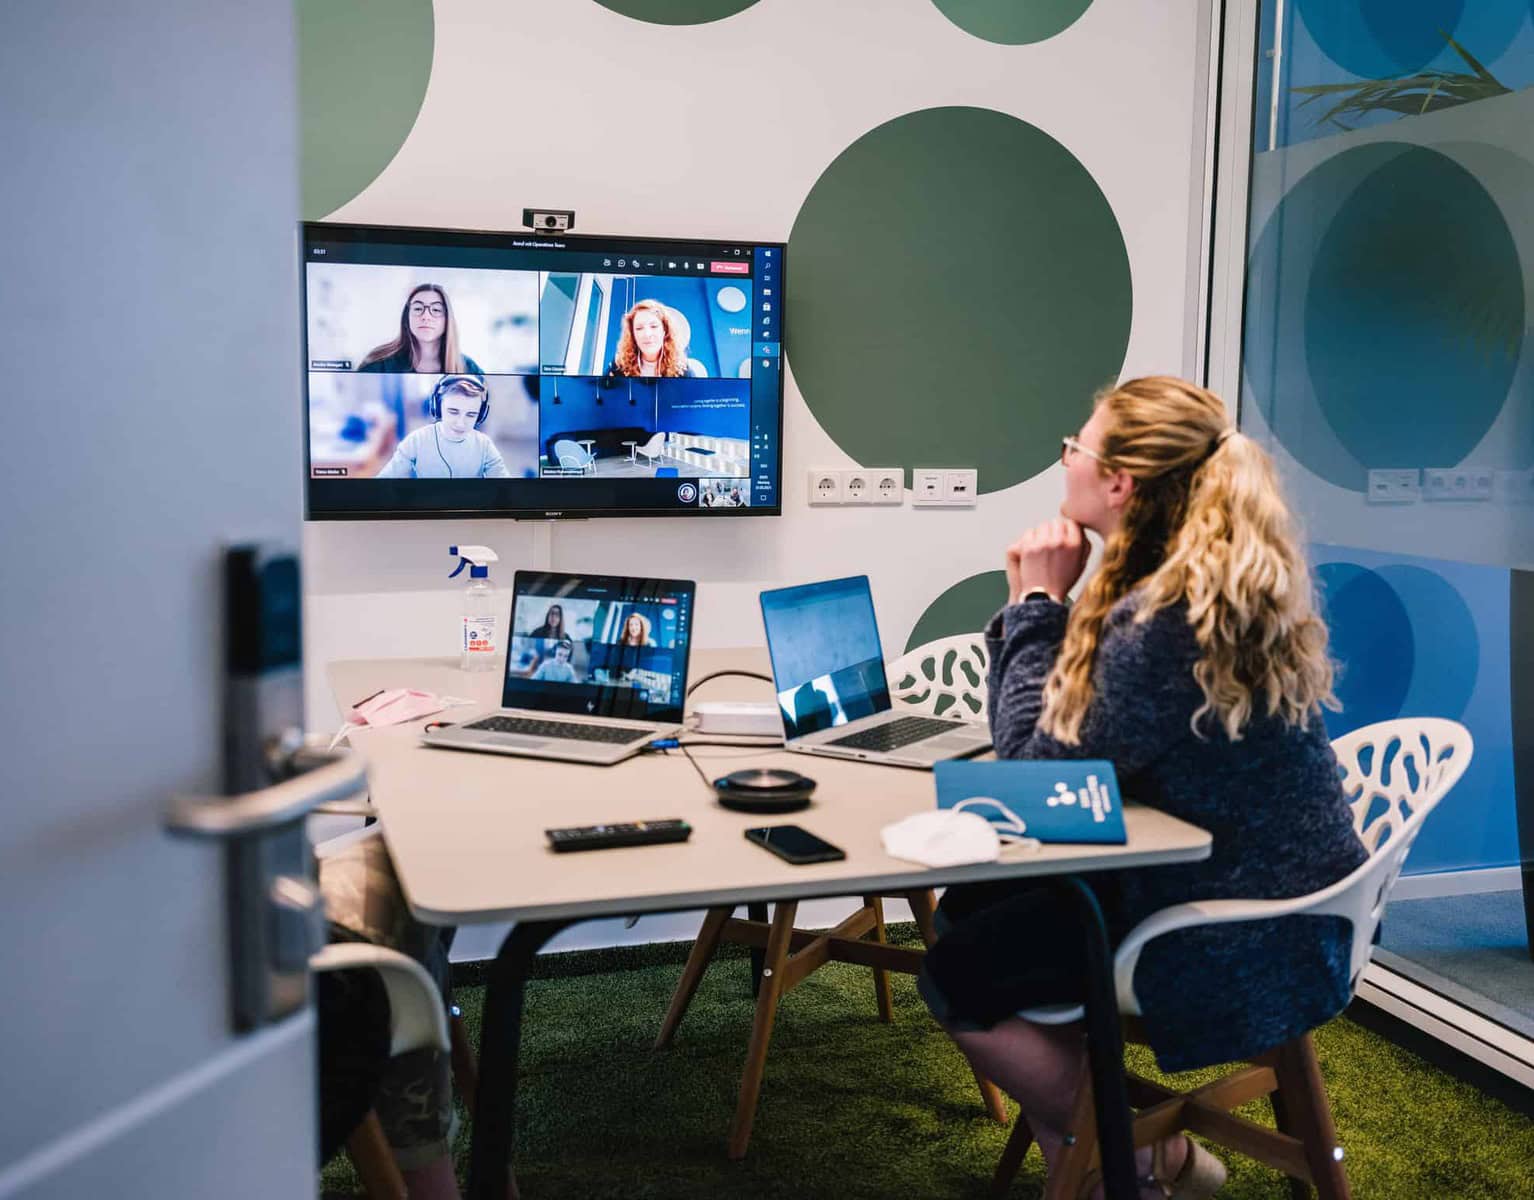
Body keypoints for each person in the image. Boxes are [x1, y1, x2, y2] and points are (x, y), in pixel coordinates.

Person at [918, 376, 1367, 1200]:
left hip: (1235, 932)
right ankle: (1090, 1165)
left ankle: (1148, 1160)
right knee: (972, 908)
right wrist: (1043, 611)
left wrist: (1035, 601)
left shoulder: (1164, 619)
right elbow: (1059, 747)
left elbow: (1032, 775)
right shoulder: (1195, 583)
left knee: (957, 973)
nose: (1065, 460)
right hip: (1278, 894)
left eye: (1074, 448)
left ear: (1120, 482)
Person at [375, 376, 510, 479]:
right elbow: (382, 484)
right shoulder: (416, 441)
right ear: (437, 408)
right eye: (453, 412)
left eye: (471, 415)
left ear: (480, 415)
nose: (461, 424)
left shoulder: (484, 445)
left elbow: (507, 489)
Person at [358, 284, 483, 375]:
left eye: (436, 310)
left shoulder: (468, 368)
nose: (426, 316)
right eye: (418, 309)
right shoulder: (379, 364)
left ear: (448, 320)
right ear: (407, 317)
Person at [608, 299, 705, 378]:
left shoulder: (683, 371)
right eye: (639, 328)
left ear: (664, 331)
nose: (647, 334)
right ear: (632, 334)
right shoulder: (619, 365)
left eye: (654, 326)